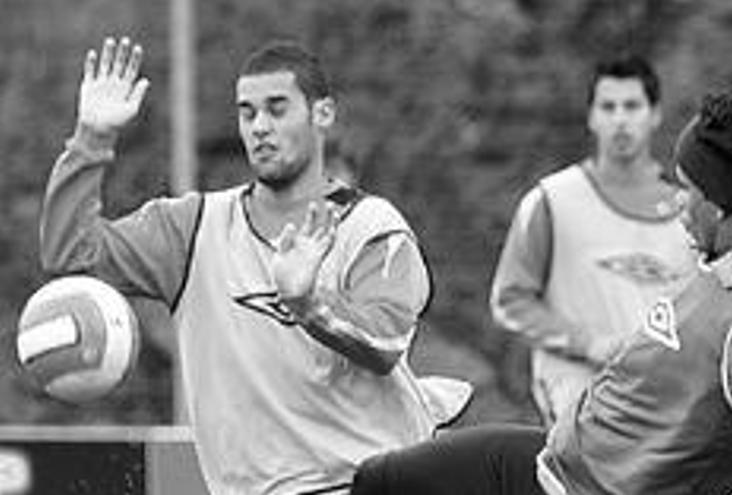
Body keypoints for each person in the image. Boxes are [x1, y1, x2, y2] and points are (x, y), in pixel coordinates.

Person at [39, 37, 469, 495]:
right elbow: (70, 255)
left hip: (367, 484)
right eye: (247, 113)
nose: (259, 126)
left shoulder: (373, 227)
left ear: (322, 114)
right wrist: (93, 136)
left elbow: (386, 342)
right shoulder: (192, 228)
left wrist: (308, 303)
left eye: (277, 109)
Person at [351, 91, 732, 494]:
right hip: (557, 461)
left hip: (578, 488)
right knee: (382, 479)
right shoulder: (731, 260)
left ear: (723, 207)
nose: (677, 204)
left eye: (688, 190)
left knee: (385, 484)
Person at [490, 55, 696, 424]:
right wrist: (589, 344)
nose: (620, 118)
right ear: (591, 116)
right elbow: (510, 301)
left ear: (655, 114)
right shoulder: (551, 201)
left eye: (632, 106)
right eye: (608, 106)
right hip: (577, 410)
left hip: (664, 414)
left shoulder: (690, 212)